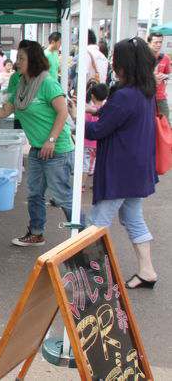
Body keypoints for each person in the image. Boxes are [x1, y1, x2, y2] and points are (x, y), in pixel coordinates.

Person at [70, 37, 158, 289]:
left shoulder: (124, 95)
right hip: (138, 168)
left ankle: (94, 279)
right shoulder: (144, 91)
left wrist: (76, 118)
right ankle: (147, 271)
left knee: (96, 222)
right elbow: (117, 117)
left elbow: (99, 131)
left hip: (120, 170)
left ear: (124, 65)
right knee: (132, 217)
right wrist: (93, 111)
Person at [0, 40, 75, 246]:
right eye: (17, 58)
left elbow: (63, 111)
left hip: (57, 149)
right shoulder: (22, 84)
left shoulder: (47, 83)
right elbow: (5, 111)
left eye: (21, 58)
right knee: (34, 194)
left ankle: (84, 239)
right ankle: (36, 233)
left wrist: (51, 140)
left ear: (33, 60)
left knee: (63, 196)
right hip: (38, 149)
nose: (16, 62)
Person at [82, 83, 109, 190]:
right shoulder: (106, 110)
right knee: (99, 164)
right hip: (99, 143)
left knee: (84, 164)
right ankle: (96, 185)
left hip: (87, 142)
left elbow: (84, 125)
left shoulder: (88, 109)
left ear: (92, 96)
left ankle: (82, 185)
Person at [148, 32, 170, 121]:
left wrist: (164, 76)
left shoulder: (165, 58)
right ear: (149, 42)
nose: (158, 45)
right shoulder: (143, 57)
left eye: (160, 42)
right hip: (147, 95)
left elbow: (168, 74)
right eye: (155, 42)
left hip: (160, 96)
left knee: (165, 123)